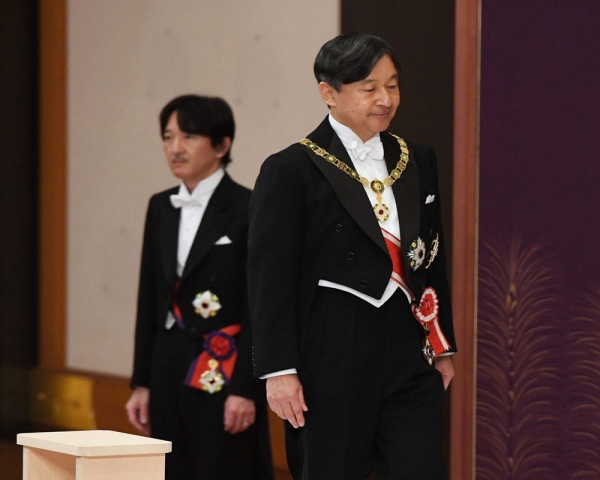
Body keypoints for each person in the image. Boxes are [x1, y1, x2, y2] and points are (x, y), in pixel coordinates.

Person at [247, 33, 456, 480]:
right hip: (331, 353)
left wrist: (441, 346)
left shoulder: (417, 158)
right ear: (329, 93)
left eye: (393, 85)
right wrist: (278, 371)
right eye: (369, 88)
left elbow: (430, 257)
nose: (385, 99)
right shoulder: (289, 170)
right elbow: (270, 279)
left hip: (407, 349)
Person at [126, 94, 273, 480]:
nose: (175, 148)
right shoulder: (160, 206)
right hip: (167, 360)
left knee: (223, 467)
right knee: (171, 468)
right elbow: (150, 298)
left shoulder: (250, 207)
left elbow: (260, 307)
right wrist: (141, 381)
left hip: (223, 358)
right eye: (168, 137)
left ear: (222, 145)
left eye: (188, 137)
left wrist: (246, 388)